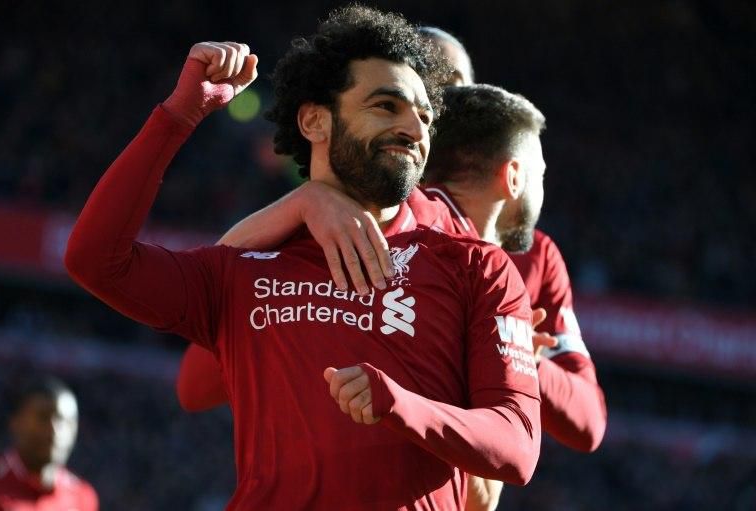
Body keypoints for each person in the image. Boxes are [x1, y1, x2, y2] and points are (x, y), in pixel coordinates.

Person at [65, 6, 542, 509]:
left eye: (425, 116)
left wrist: (399, 404)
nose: (415, 129)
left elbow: (516, 445)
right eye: (387, 106)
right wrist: (177, 117)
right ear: (315, 119)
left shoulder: (476, 267)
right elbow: (95, 260)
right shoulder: (243, 266)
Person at [181, 26, 606, 511]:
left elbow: (588, 422)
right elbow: (195, 383)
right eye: (396, 98)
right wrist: (304, 202)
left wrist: (518, 364)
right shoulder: (349, 225)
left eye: (445, 95)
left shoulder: (526, 257)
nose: (424, 113)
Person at [0, 376, 98, 511]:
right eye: (43, 417)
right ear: (16, 422)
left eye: (64, 421)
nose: (54, 430)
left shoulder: (82, 497)